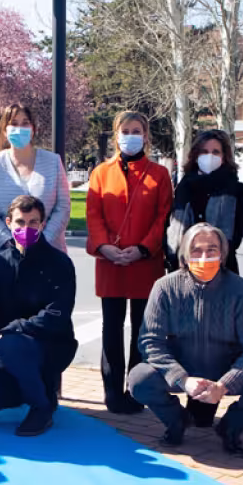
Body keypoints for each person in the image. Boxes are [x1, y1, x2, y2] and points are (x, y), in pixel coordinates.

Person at [128, 224, 243, 458]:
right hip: (183, 370)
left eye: (212, 249)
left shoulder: (241, 290)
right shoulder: (165, 287)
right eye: (196, 250)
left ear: (223, 254)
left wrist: (225, 384)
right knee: (139, 379)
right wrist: (182, 379)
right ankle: (177, 422)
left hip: (226, 369)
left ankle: (230, 429)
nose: (204, 257)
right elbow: (150, 341)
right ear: (185, 255)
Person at [0, 195, 77, 436]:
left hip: (50, 346)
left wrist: (8, 333)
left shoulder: (60, 263)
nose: (26, 228)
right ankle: (28, 387)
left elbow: (56, 315)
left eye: (33, 222)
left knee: (12, 344)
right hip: (7, 349)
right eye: (20, 222)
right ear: (8, 223)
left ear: (43, 225)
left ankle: (41, 407)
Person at [85, 110, 174, 414]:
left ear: (146, 136)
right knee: (111, 329)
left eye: (137, 130)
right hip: (109, 262)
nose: (131, 135)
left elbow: (163, 217)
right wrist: (105, 247)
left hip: (145, 264)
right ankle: (112, 393)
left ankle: (137, 391)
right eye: (126, 130)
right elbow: (93, 214)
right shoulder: (100, 173)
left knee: (142, 330)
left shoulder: (159, 174)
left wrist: (143, 249)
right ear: (116, 135)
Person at [0, 104, 70, 254]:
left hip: (48, 253)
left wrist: (42, 241)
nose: (19, 128)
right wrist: (10, 242)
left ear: (33, 129)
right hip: (5, 255)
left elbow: (63, 207)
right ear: (5, 131)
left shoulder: (53, 162)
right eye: (14, 123)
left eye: (25, 123)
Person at [167, 130, 243, 274]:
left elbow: (236, 234)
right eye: (204, 151)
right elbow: (174, 226)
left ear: (224, 156)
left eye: (216, 152)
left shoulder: (235, 188)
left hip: (222, 267)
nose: (209, 156)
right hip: (184, 266)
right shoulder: (184, 186)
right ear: (196, 155)